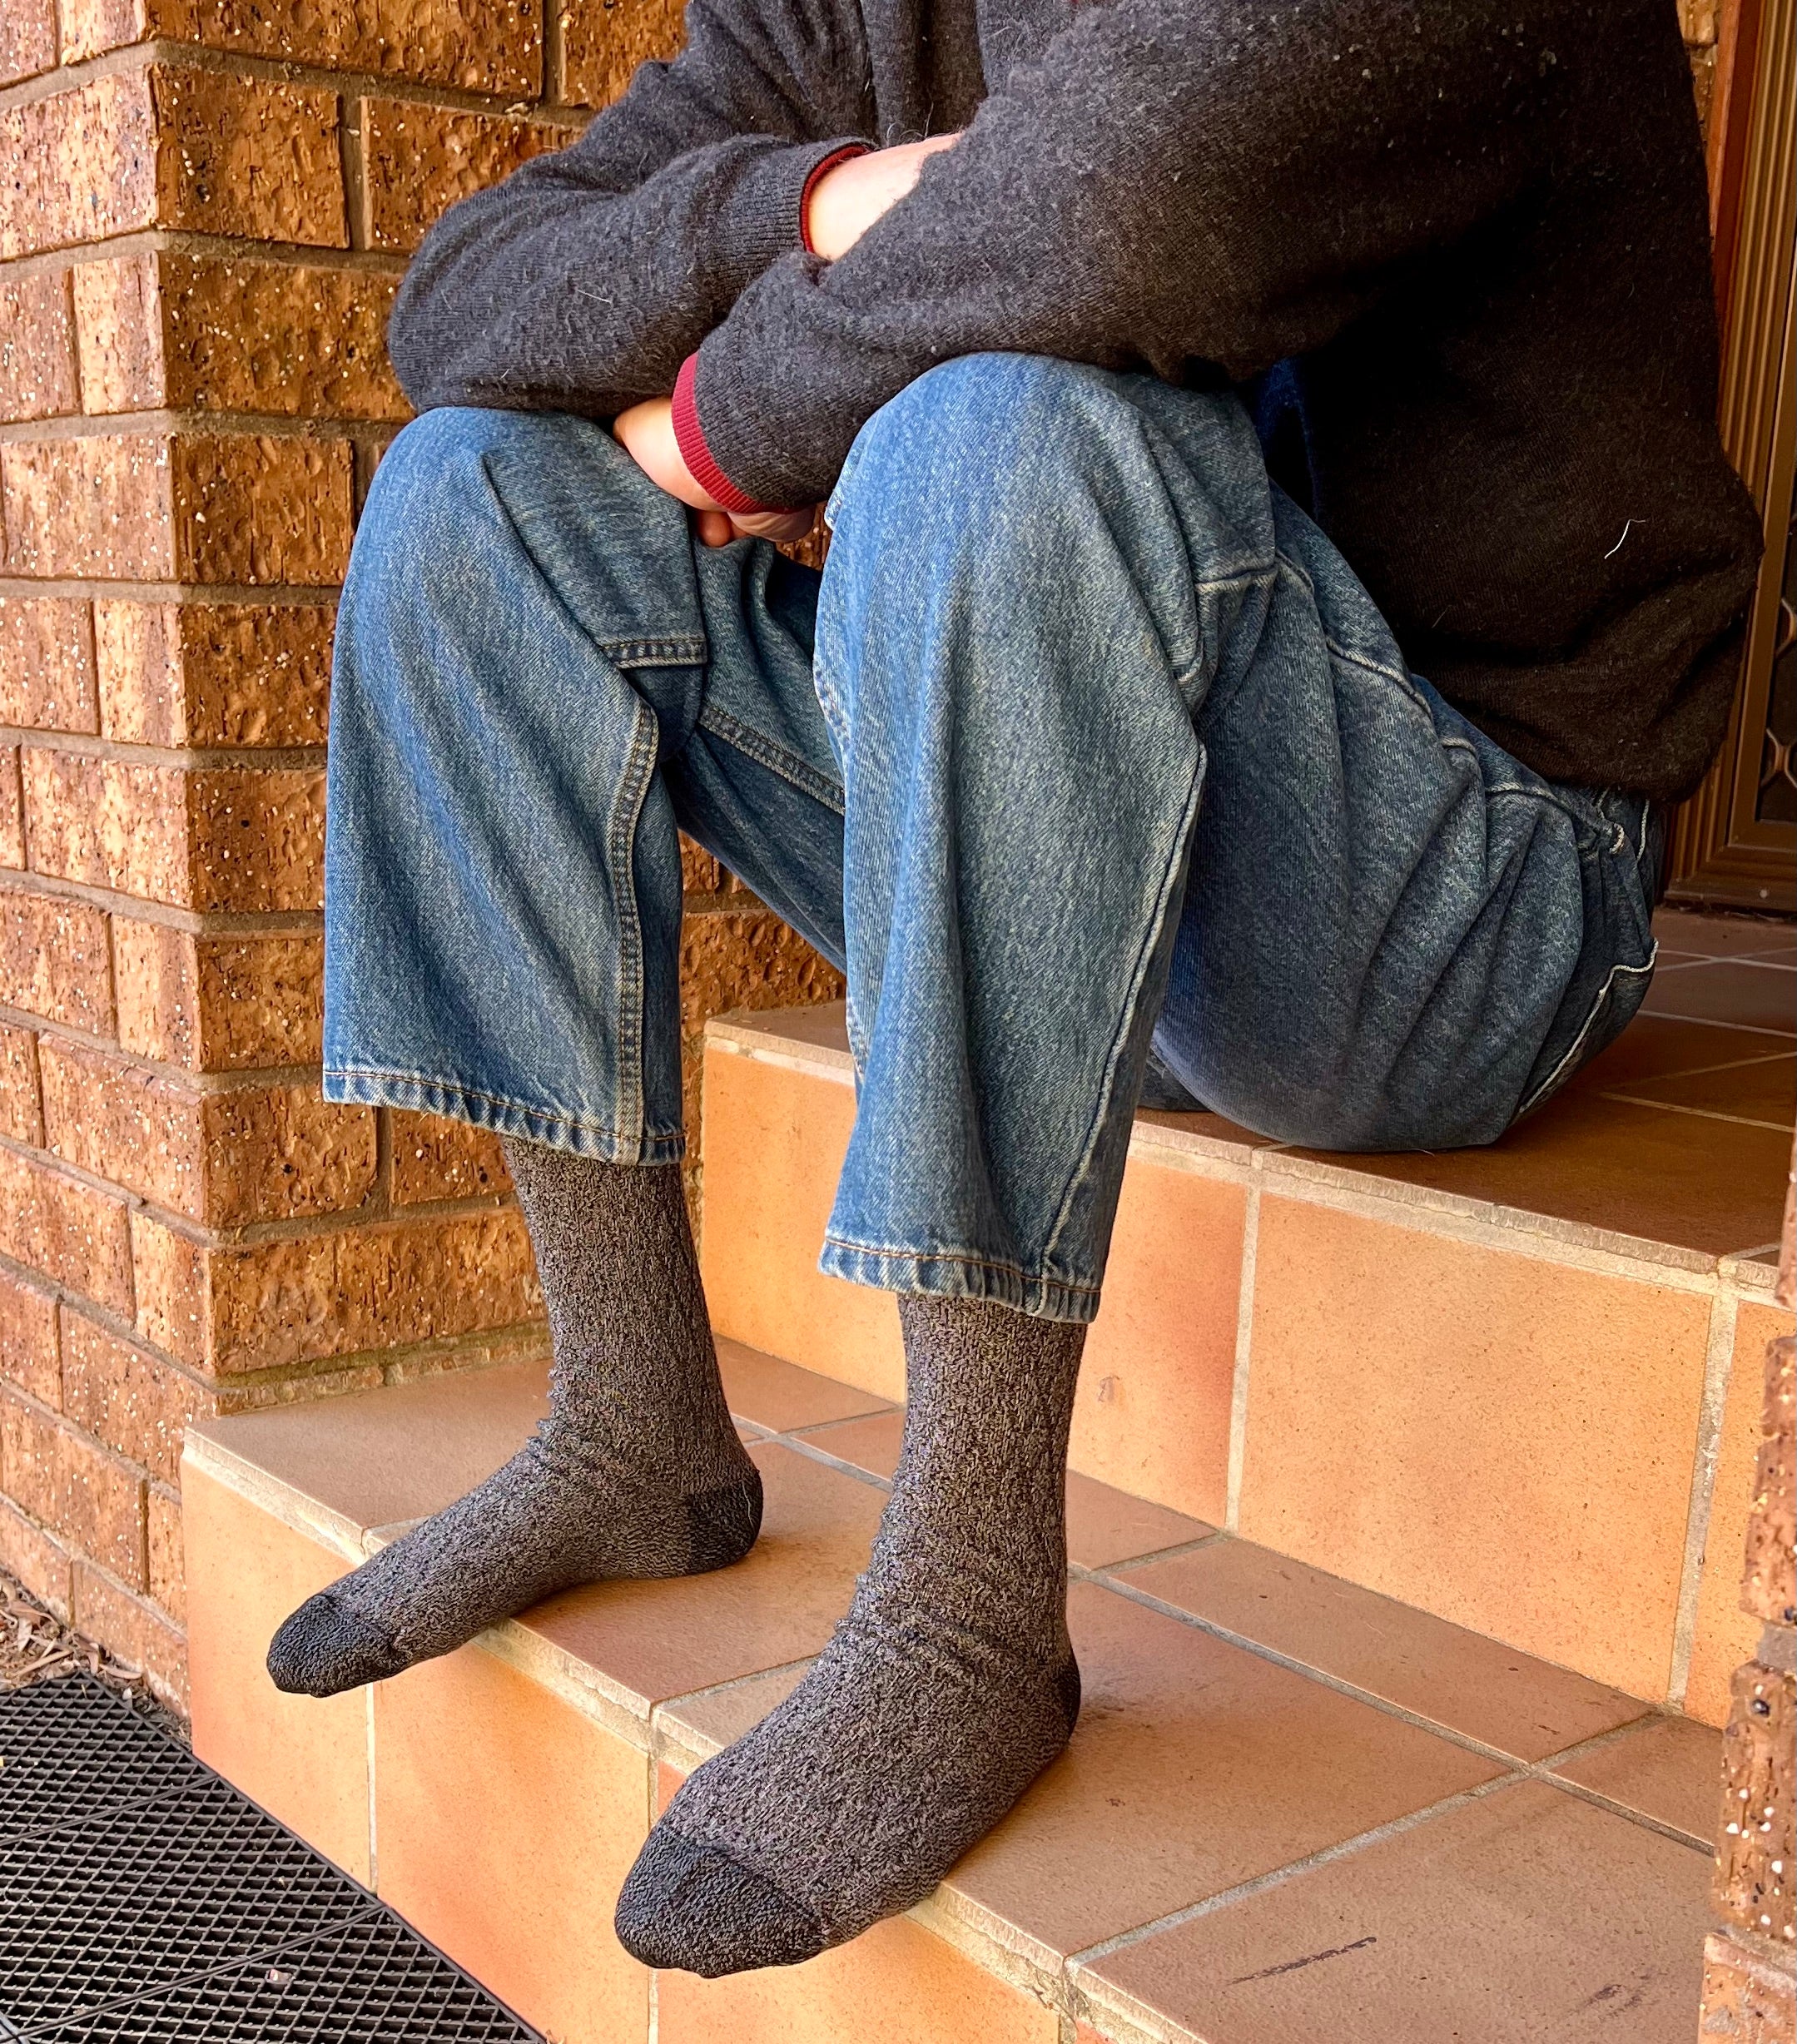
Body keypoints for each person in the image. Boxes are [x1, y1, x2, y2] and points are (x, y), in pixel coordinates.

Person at [266, 0, 1762, 1977]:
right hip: (1128, 821)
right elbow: (460, 294)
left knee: (1003, 426)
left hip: (1461, 891)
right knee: (477, 496)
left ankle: (971, 1601)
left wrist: (723, 423)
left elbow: (1141, 209)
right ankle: (630, 1419)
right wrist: (831, 201)